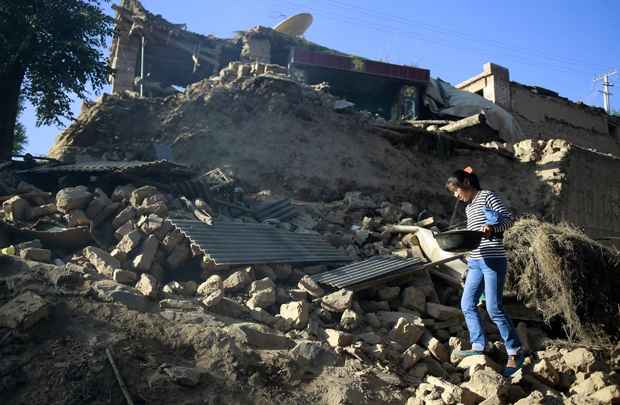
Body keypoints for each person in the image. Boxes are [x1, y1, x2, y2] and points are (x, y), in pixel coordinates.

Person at [446, 167, 524, 376]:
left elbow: (508, 219)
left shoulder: (487, 196)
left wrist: (493, 228)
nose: (456, 195)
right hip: (475, 262)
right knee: (467, 303)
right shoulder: (470, 207)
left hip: (493, 260)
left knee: (494, 308)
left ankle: (515, 352)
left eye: (456, 190)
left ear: (467, 184)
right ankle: (479, 345)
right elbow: (473, 237)